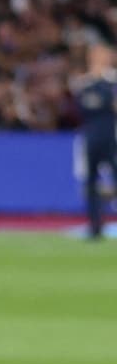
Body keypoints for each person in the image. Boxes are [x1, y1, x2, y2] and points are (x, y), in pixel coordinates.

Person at [72, 42, 117, 240]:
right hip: (91, 137)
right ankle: (94, 226)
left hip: (112, 137)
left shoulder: (112, 81)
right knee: (91, 182)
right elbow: (82, 107)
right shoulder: (83, 82)